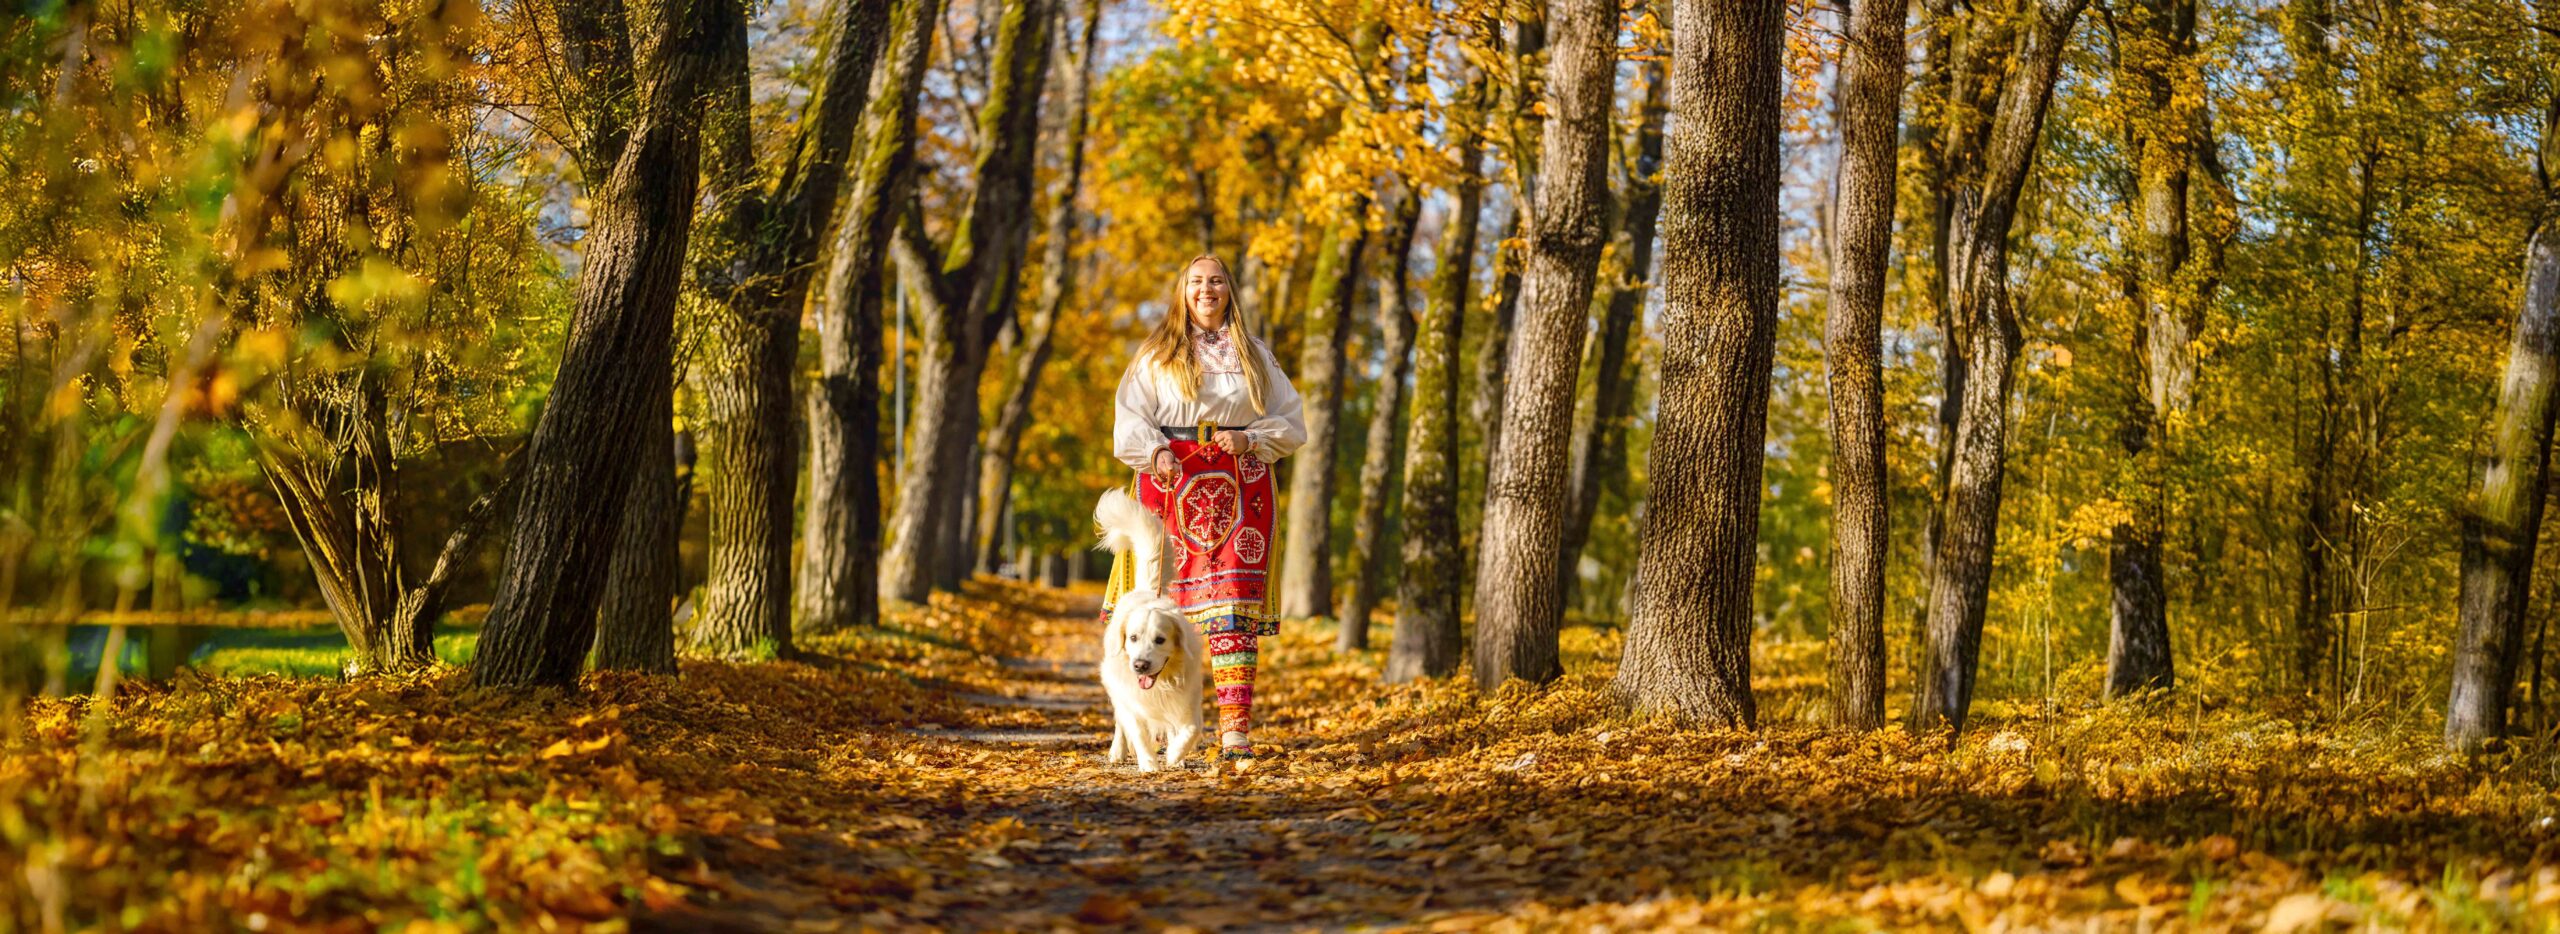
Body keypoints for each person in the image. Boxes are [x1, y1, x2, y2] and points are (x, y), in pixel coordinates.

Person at [1105, 254, 1307, 768]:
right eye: (1196, 281)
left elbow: (1293, 421)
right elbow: (1128, 419)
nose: (1206, 290)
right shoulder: (1155, 354)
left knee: (1232, 610)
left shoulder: (1255, 354)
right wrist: (1155, 452)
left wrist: (1251, 437)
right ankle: (1144, 723)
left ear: (1229, 290)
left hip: (1238, 486)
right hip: (1169, 480)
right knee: (1153, 606)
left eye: (1216, 281)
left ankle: (1235, 731)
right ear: (1183, 290)